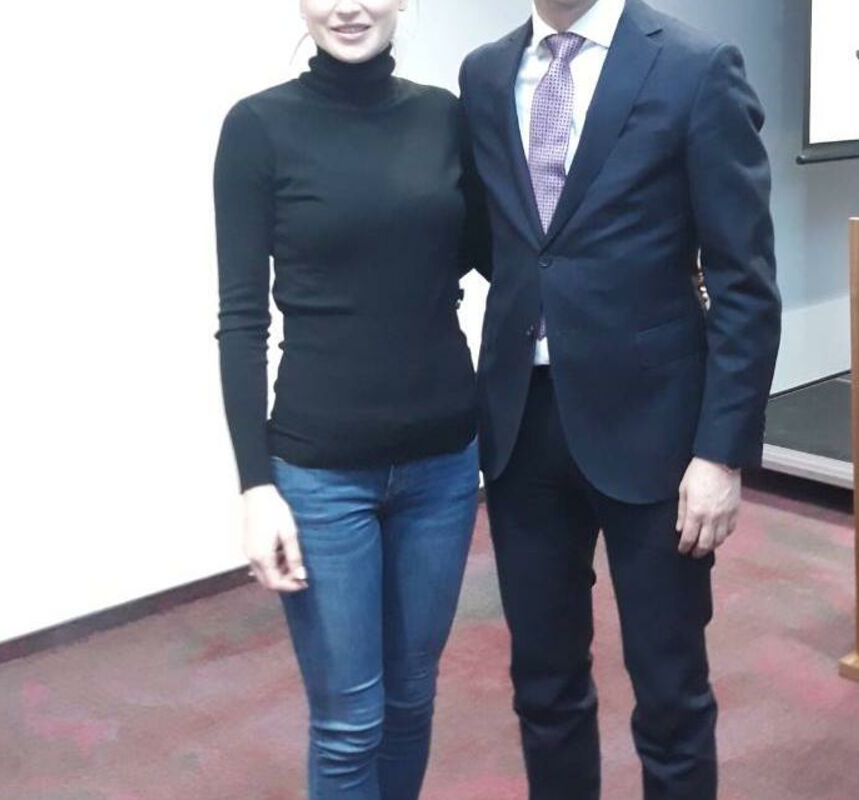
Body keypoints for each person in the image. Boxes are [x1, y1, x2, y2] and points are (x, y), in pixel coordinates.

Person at [458, 0, 781, 797]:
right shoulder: (485, 73)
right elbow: (506, 242)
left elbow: (744, 283)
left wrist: (720, 453)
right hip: (521, 425)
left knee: (671, 694)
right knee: (544, 685)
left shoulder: (696, 67)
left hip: (656, 435)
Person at [212, 1, 488, 797]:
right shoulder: (258, 129)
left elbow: (505, 259)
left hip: (443, 465)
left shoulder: (445, 119)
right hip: (321, 475)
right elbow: (241, 320)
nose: (348, 6)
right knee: (348, 724)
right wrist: (255, 486)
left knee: (411, 699)